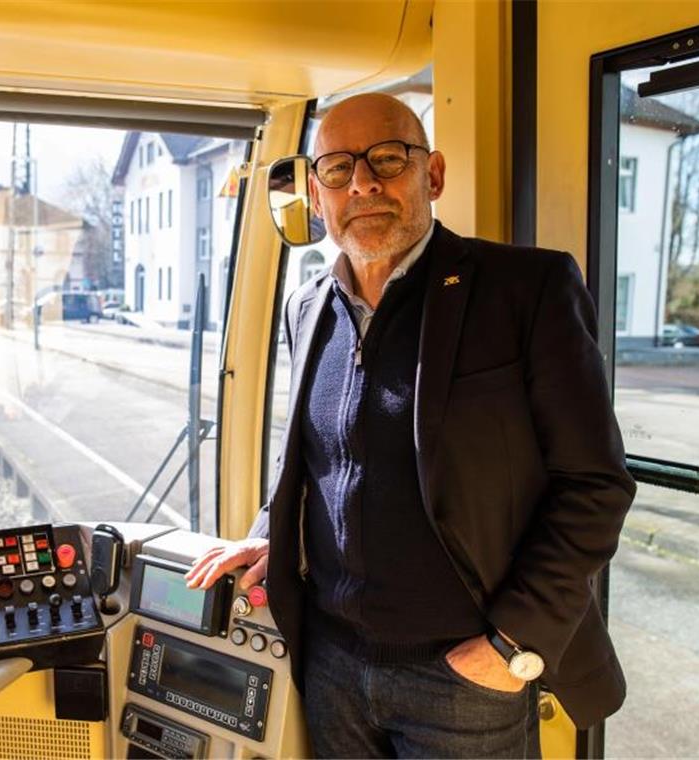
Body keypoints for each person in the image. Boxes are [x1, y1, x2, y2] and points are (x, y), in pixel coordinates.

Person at [185, 92, 636, 758]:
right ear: (316, 195)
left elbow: (594, 484)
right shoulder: (306, 309)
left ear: (433, 176)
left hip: (463, 678)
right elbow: (316, 462)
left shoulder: (525, 290)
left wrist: (510, 645)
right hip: (332, 665)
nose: (363, 182)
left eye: (388, 159)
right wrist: (268, 535)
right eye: (338, 169)